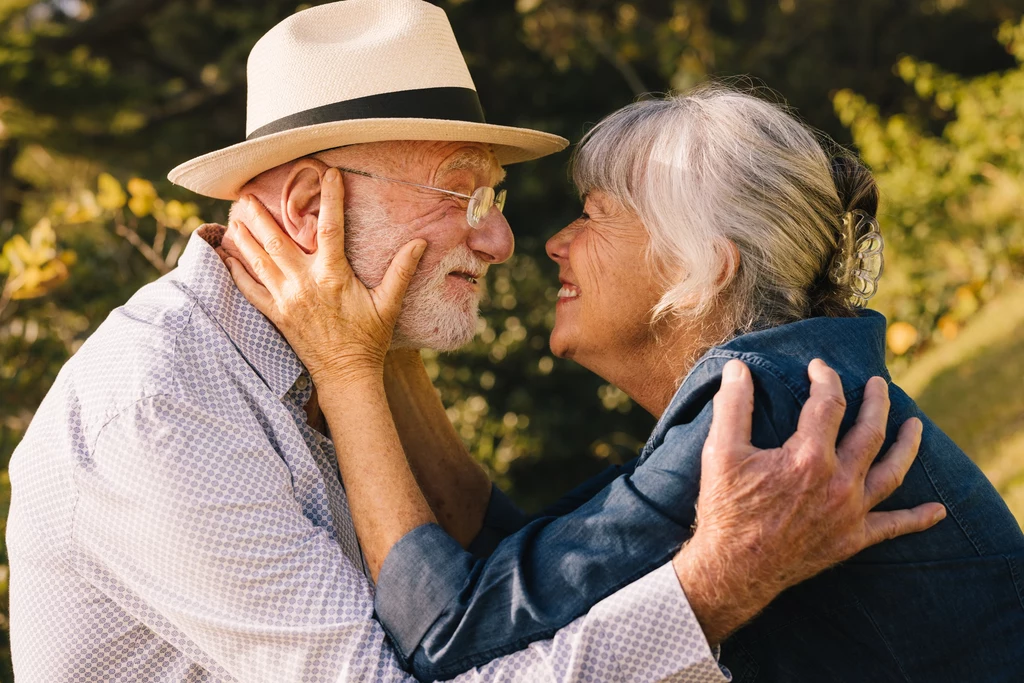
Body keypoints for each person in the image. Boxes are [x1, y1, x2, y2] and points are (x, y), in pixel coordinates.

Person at [6, 2, 939, 682]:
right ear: (306, 209)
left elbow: (495, 570)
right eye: (465, 194)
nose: (500, 240)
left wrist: (374, 365)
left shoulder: (327, 350)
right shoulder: (164, 409)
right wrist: (714, 587)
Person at [227, 82, 1024, 683]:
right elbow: (515, 564)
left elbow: (448, 631)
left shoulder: (764, 409)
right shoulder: (789, 376)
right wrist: (389, 337)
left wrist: (347, 369)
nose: (555, 244)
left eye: (594, 214)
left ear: (698, 265)